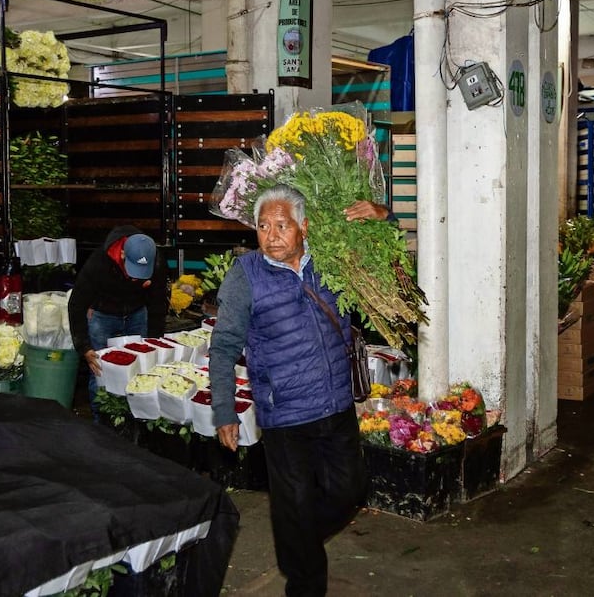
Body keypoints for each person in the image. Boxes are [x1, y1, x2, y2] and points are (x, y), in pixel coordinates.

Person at [209, 185, 386, 596]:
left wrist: (383, 216)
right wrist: (224, 411)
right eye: (263, 226)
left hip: (335, 405)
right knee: (297, 505)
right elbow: (222, 348)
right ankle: (304, 578)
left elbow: (389, 266)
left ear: (304, 227)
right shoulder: (245, 277)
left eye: (282, 225)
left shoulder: (332, 261)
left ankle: (297, 543)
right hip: (284, 415)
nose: (271, 235)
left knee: (349, 491)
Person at [68, 226, 168, 415]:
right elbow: (77, 304)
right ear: (122, 254)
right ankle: (100, 423)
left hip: (137, 313)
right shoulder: (99, 262)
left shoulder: (157, 261)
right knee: (100, 373)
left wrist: (155, 342)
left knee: (141, 368)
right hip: (102, 316)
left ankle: (134, 420)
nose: (135, 277)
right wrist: (84, 347)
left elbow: (158, 303)